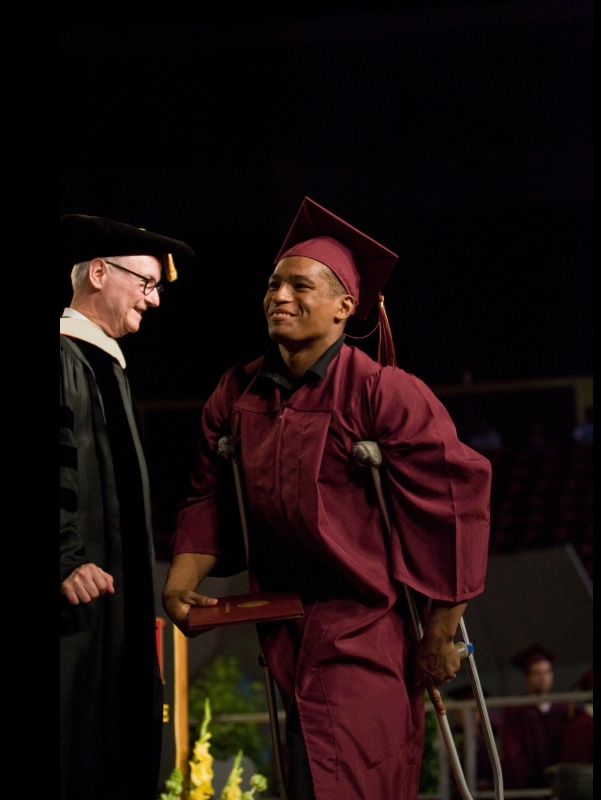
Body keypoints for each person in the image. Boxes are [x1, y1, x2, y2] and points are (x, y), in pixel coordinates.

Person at [162, 197, 492, 800]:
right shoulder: (237, 394)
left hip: (367, 628)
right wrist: (180, 584)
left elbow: (457, 500)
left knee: (346, 776)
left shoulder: (383, 393)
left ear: (345, 308)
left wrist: (443, 633)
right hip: (286, 628)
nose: (279, 296)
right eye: (272, 284)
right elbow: (208, 495)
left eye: (299, 285)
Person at [59, 213, 194, 800]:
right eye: (145, 283)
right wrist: (63, 558)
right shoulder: (64, 357)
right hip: (74, 615)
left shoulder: (104, 363)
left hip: (107, 616)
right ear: (96, 273)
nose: (154, 300)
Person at [498, 643, 569, 790]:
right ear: (527, 677)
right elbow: (512, 755)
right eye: (537, 673)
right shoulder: (516, 711)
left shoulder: (563, 709)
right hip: (528, 788)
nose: (543, 678)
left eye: (547, 672)